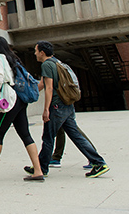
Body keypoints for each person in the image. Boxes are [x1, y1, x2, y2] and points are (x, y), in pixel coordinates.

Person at [28, 40, 110, 178]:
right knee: (75, 135)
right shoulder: (57, 62)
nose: (35, 53)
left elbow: (48, 88)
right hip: (67, 105)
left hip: (56, 106)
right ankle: (99, 163)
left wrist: (46, 109)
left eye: (36, 51)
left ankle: (41, 168)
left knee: (48, 137)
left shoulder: (47, 65)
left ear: (42, 52)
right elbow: (42, 84)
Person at [0, 36, 45, 182]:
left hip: (8, 102)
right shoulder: (13, 58)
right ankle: (38, 170)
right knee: (25, 135)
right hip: (19, 100)